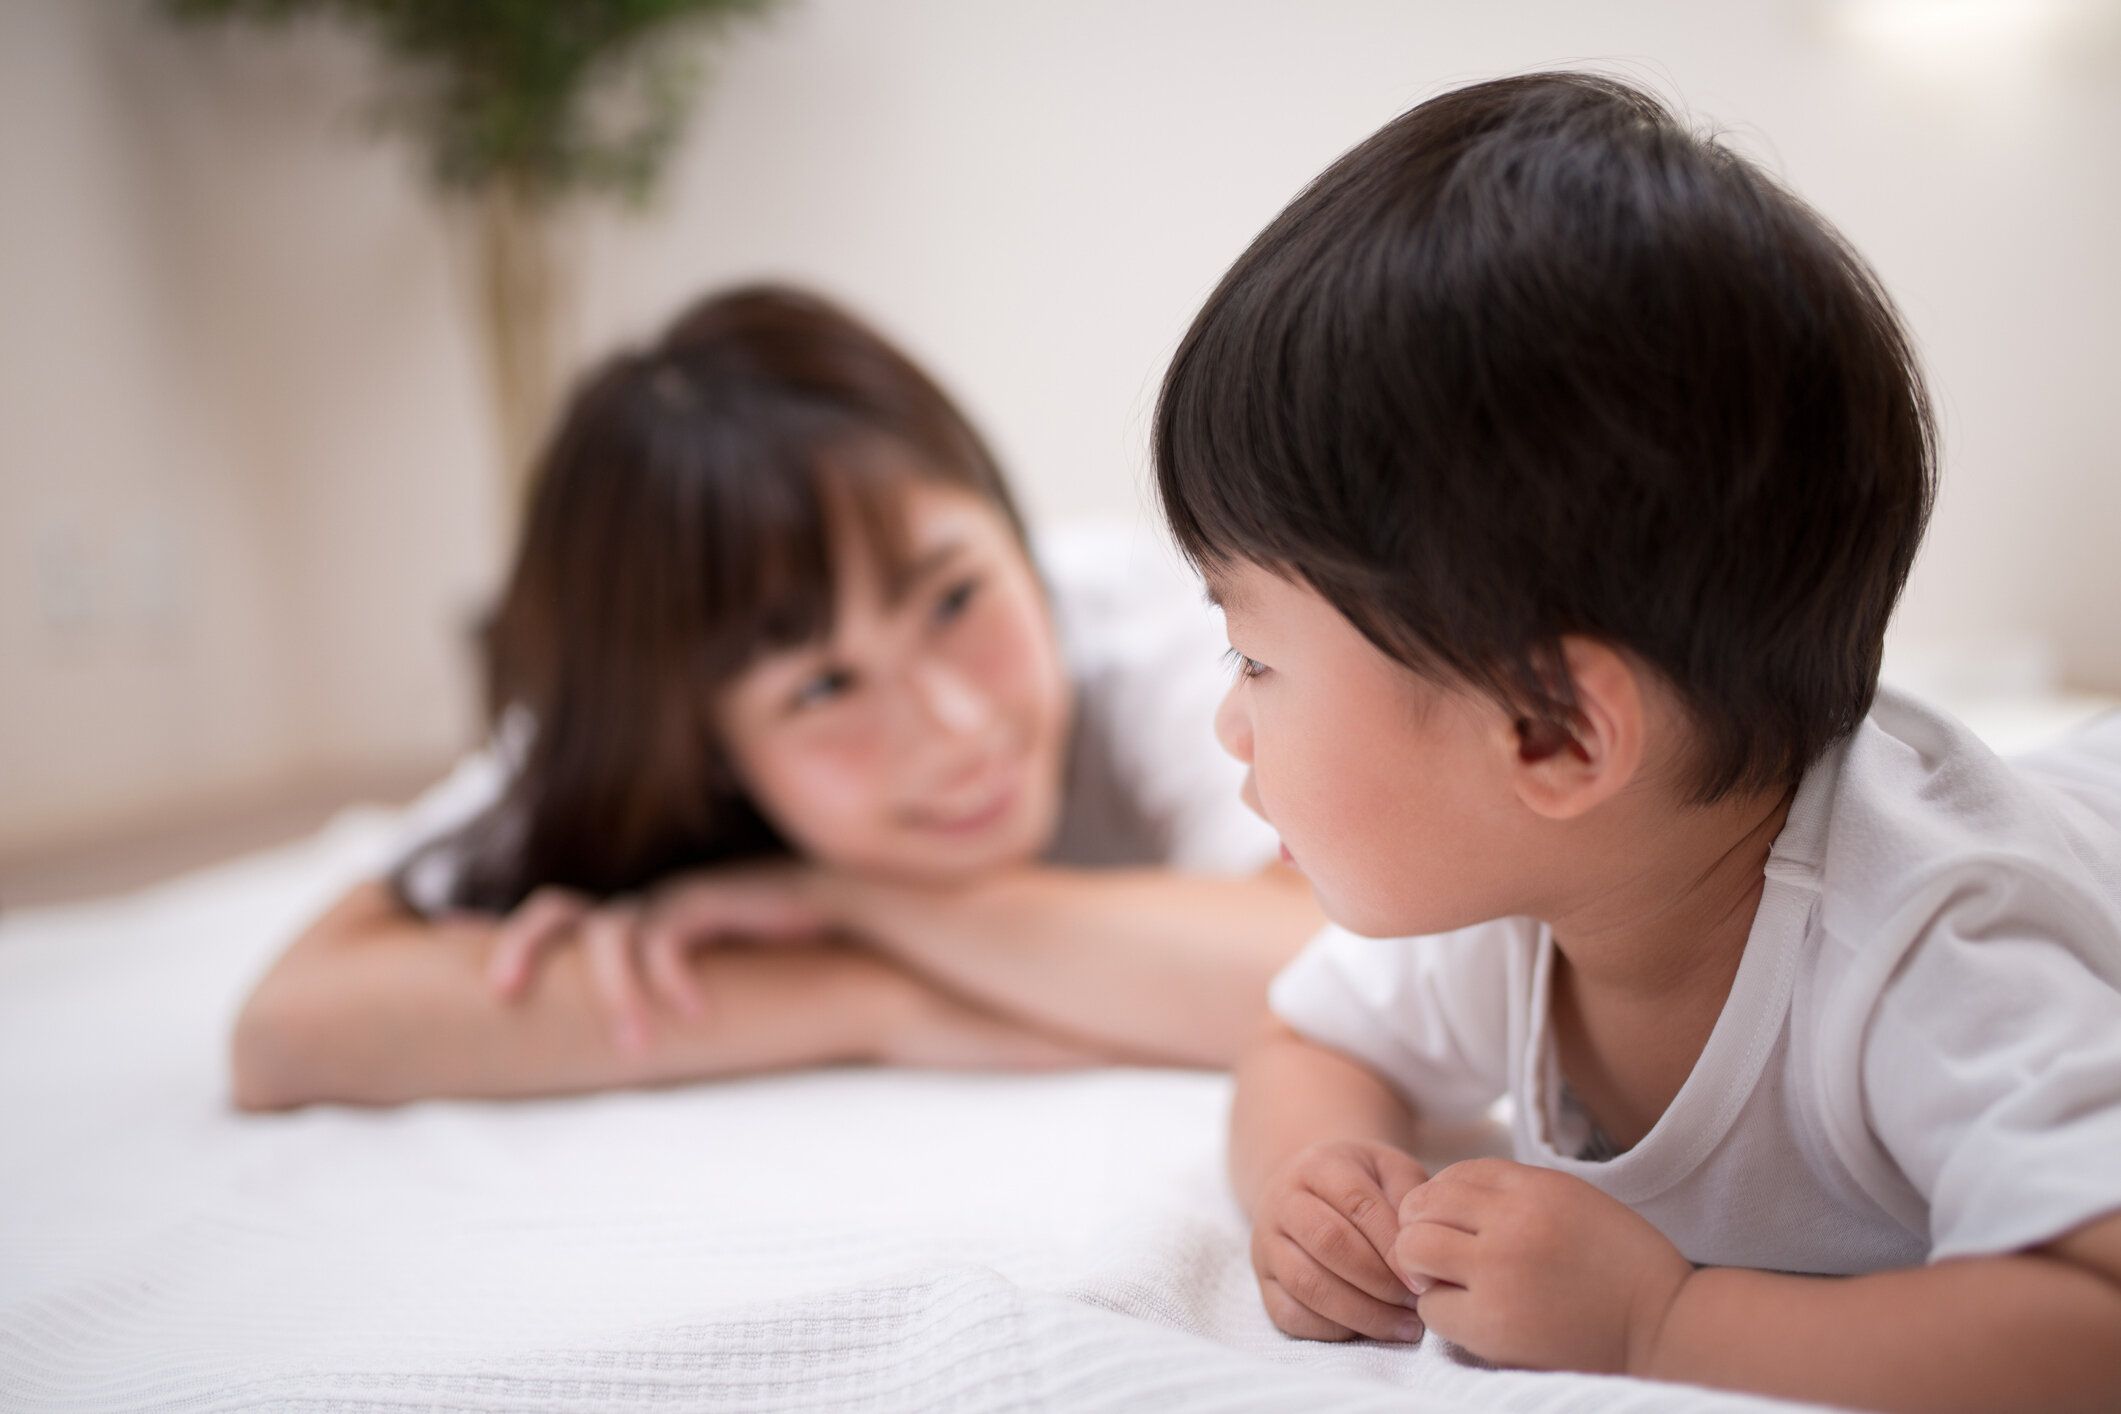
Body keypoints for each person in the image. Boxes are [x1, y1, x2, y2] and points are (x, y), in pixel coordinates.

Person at [1152, 72, 2121, 1411]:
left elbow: (2096, 1318)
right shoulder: (1510, 895)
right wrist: (1317, 1176)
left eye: (1256, 657)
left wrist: (1664, 1322)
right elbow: (1308, 1045)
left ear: (1550, 733)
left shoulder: (1926, 948)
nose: (1228, 715)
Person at [231, 284, 1322, 1110]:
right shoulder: (630, 734)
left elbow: (1334, 968)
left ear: (1011, 532)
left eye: (952, 599)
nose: (954, 723)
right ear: (704, 747)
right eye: (824, 683)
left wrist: (853, 896)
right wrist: (867, 997)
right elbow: (291, 1027)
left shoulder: (1141, 626)